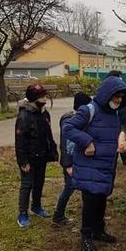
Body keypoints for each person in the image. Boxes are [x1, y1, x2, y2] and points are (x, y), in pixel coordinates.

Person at [63, 75, 126, 251]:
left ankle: (98, 230)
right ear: (107, 94)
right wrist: (87, 142)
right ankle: (86, 236)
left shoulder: (114, 115)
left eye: (121, 97)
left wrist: (123, 140)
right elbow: (68, 128)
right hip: (89, 167)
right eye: (116, 96)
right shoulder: (88, 110)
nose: (118, 100)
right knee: (90, 202)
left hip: (106, 166)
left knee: (101, 200)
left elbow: (115, 134)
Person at [15, 83, 58, 228]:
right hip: (29, 157)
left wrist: (52, 150)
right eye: (42, 96)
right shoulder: (24, 116)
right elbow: (19, 141)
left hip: (42, 156)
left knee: (39, 182)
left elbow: (48, 134)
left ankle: (36, 206)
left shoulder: (45, 113)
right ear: (34, 98)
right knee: (27, 185)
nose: (45, 98)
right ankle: (22, 213)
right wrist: (23, 161)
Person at [52, 91, 92, 226]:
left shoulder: (76, 118)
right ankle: (58, 216)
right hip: (70, 161)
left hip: (78, 160)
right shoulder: (70, 120)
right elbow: (67, 144)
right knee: (69, 187)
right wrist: (68, 164)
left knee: (78, 187)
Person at [107, 70, 126, 164]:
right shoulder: (109, 91)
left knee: (124, 139)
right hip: (117, 122)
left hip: (124, 120)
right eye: (119, 77)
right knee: (118, 139)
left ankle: (125, 158)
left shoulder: (122, 90)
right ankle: (122, 157)